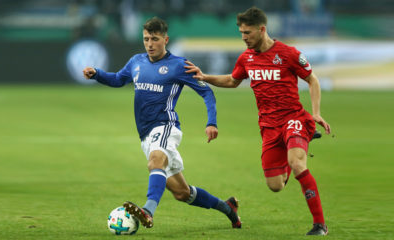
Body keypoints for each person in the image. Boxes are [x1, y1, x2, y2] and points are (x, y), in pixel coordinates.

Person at [83, 17, 241, 229]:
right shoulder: (136, 62)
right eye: (146, 39)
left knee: (156, 162)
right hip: (145, 134)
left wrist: (211, 122)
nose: (149, 44)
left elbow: (206, 92)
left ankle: (148, 211)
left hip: (166, 126)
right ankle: (228, 208)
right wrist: (97, 75)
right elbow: (119, 79)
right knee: (182, 193)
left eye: (154, 39)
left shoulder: (179, 65)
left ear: (165, 39)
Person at [185, 7, 330, 236]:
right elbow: (233, 81)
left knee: (297, 163)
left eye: (247, 32)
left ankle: (320, 224)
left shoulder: (289, 54)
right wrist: (205, 77)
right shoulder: (246, 58)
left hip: (293, 119)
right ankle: (295, 145)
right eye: (241, 32)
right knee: (276, 185)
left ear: (262, 30)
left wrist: (316, 112)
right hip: (269, 127)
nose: (243, 37)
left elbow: (312, 80)